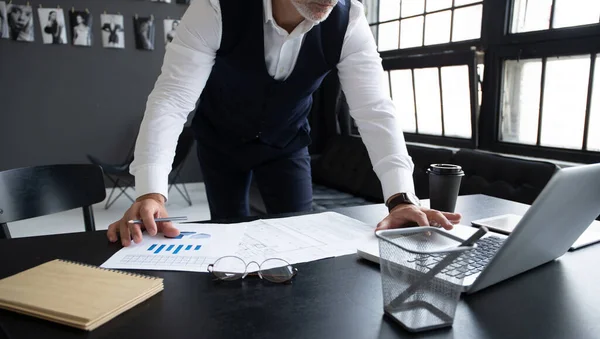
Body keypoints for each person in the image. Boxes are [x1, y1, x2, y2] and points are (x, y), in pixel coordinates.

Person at [108, 0, 462, 246]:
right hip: (221, 143)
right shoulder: (215, 9)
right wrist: (151, 190)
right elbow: (172, 100)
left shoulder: (349, 21)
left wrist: (400, 198)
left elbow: (375, 111)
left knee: (299, 239)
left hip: (286, 143)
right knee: (227, 239)